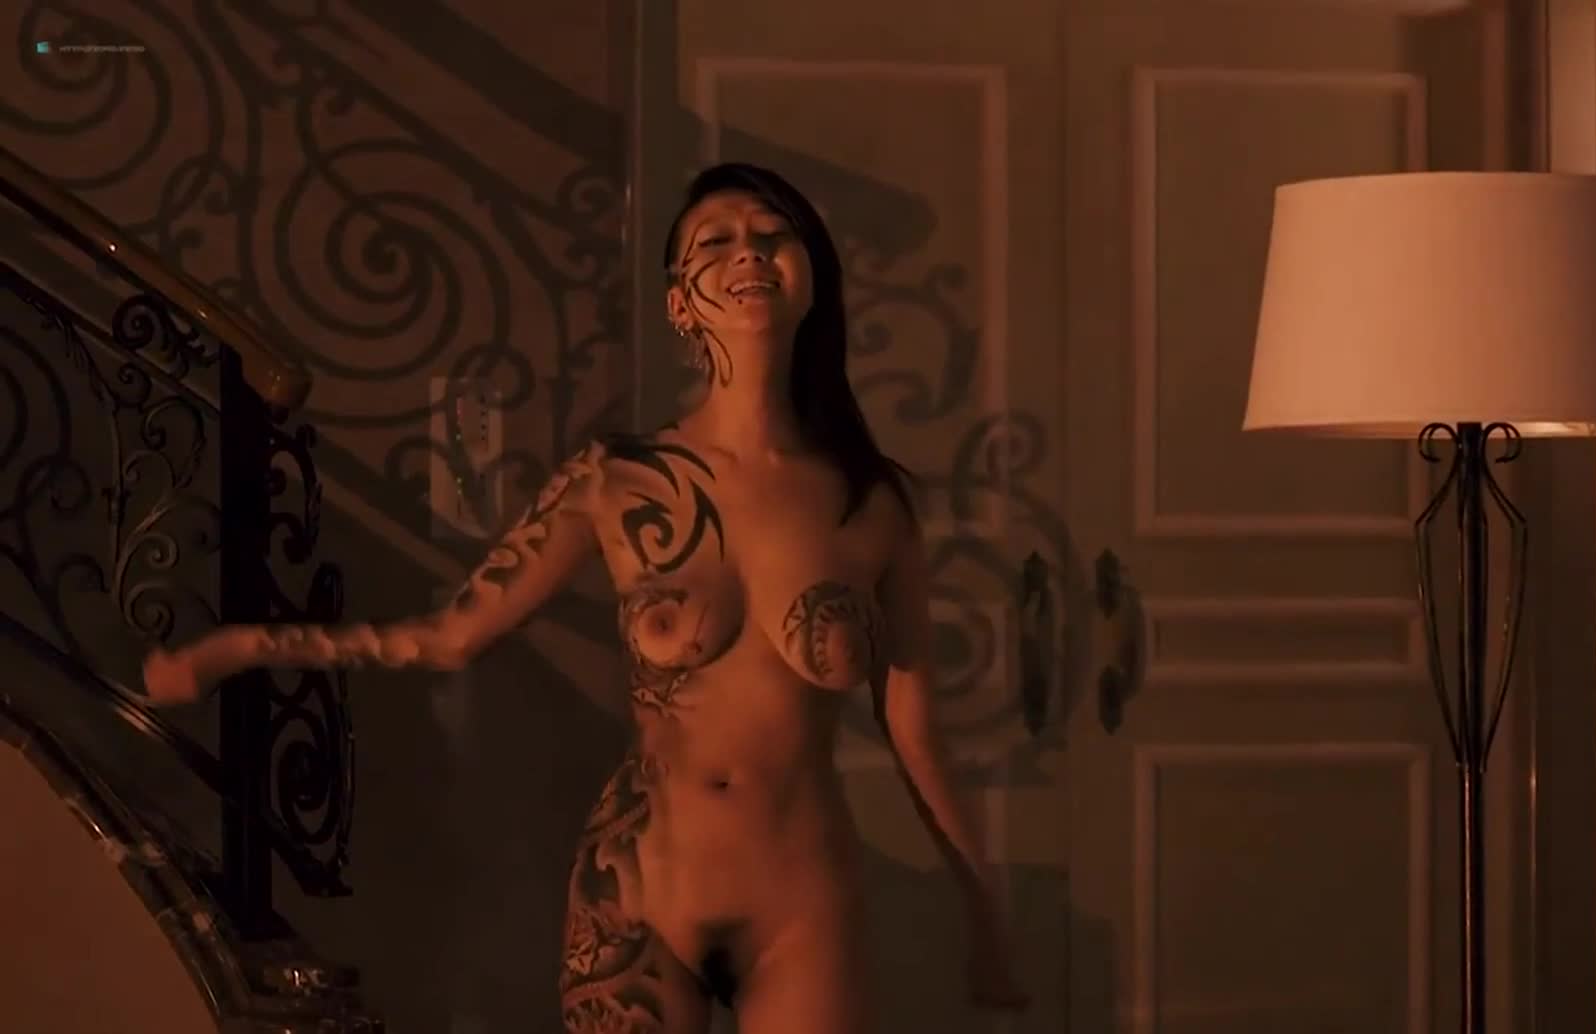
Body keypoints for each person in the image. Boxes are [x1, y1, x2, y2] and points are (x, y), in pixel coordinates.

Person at [142, 162, 1029, 1034]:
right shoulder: (616, 478)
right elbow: (450, 637)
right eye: (715, 241)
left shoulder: (870, 501)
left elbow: (916, 730)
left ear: (812, 280)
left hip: (803, 899)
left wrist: (988, 917)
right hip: (640, 893)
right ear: (679, 303)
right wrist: (243, 647)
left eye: (774, 234)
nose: (749, 251)